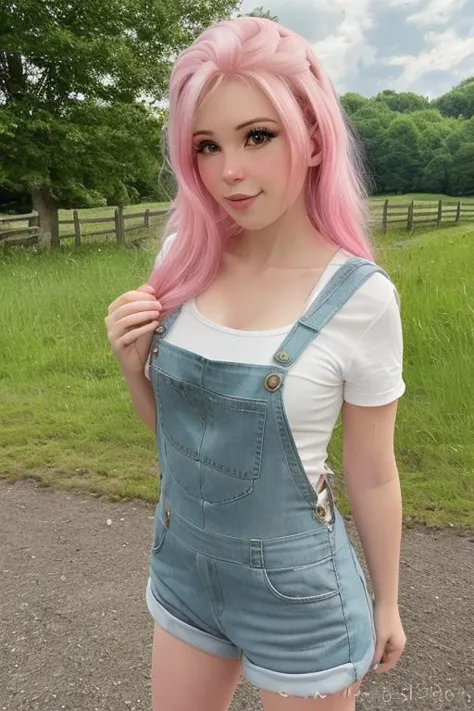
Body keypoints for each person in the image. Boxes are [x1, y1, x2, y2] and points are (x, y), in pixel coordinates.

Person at [105, 15, 407, 711]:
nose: (228, 171)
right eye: (206, 145)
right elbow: (179, 441)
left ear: (312, 138)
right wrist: (133, 368)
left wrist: (388, 600)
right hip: (183, 568)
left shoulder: (361, 298)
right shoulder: (185, 256)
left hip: (300, 598)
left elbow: (372, 468)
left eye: (257, 135)